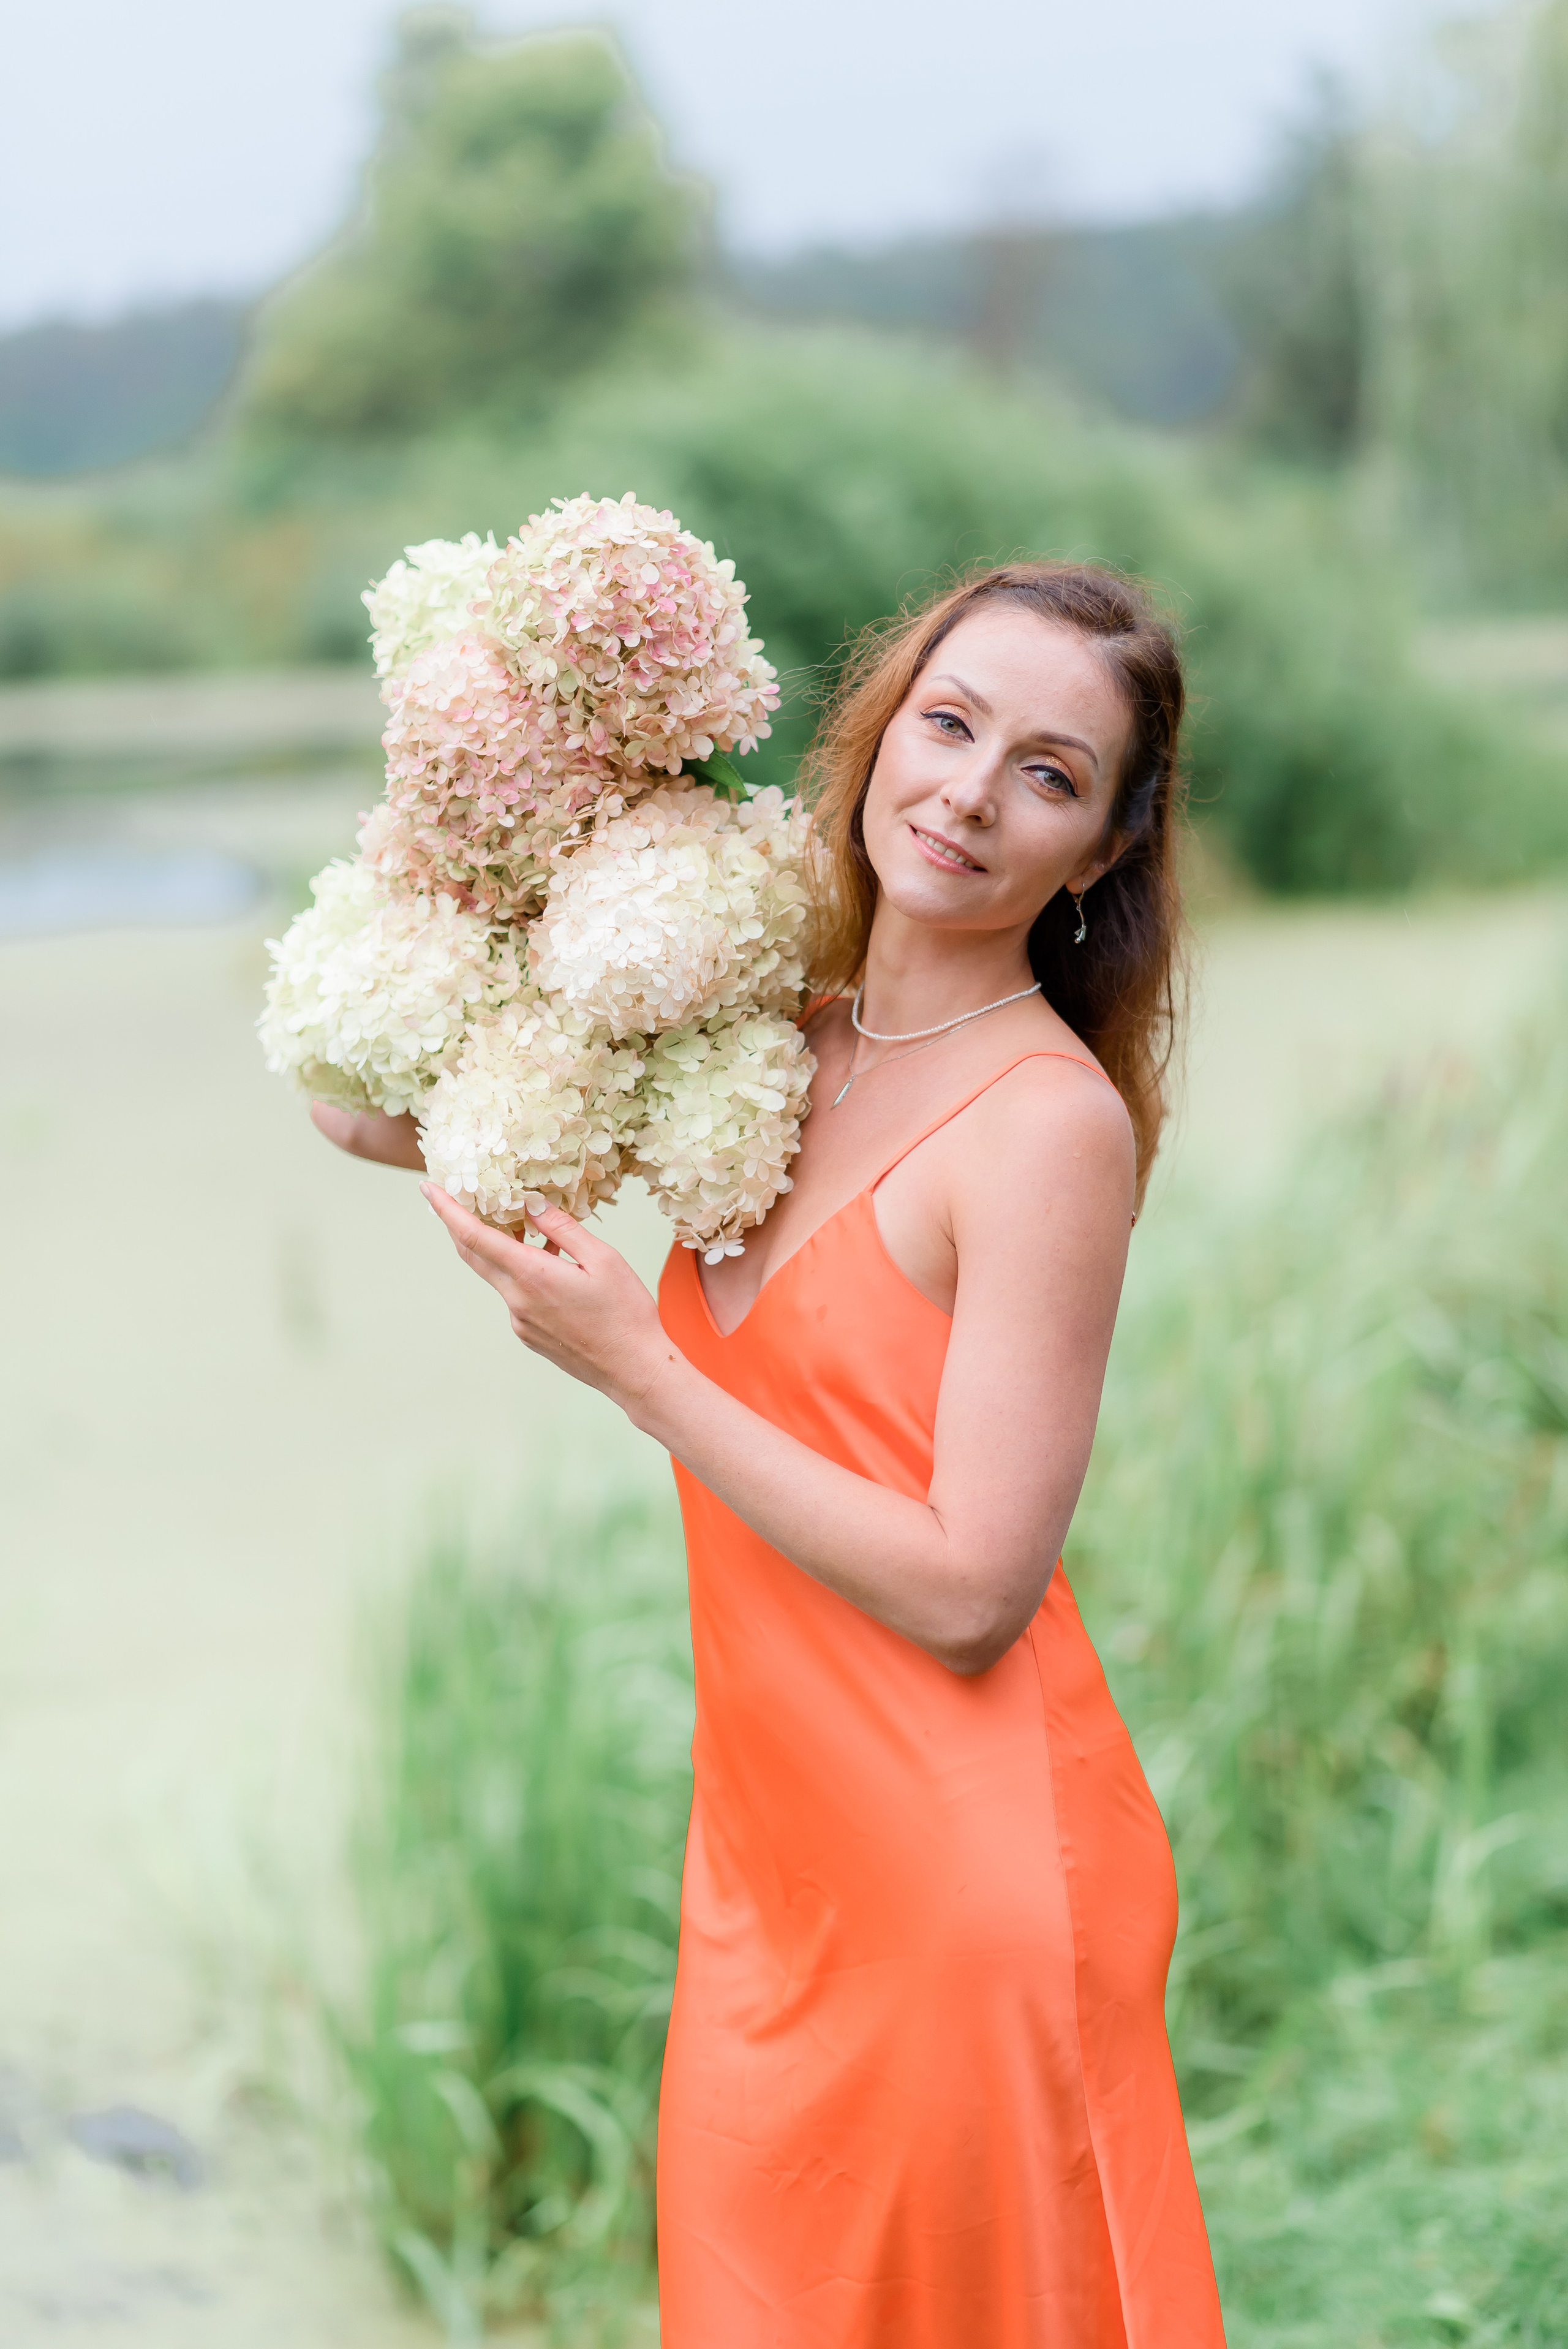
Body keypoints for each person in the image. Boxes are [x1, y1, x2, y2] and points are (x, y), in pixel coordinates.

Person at [315, 562, 1227, 2348]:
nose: (970, 792)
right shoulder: (767, 1037)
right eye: (950, 725)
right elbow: (364, 1110)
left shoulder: (1044, 1127)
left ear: (1102, 850)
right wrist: (491, 825)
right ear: (883, 734)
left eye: (1048, 773)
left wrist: (640, 1371)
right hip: (770, 1865)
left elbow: (972, 1590)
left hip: (969, 1879)